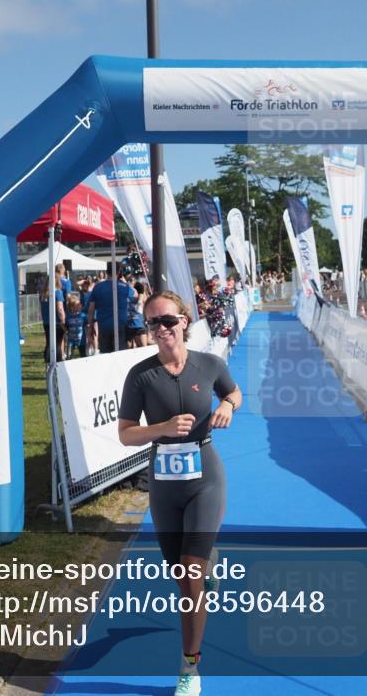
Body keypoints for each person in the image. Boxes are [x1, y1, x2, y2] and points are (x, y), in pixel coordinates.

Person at [117, 291, 242, 696]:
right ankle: (208, 563)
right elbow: (125, 433)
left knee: (189, 575)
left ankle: (189, 667)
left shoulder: (210, 364)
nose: (161, 330)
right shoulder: (140, 375)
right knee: (181, 575)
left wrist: (228, 406)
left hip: (205, 477)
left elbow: (234, 392)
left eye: (167, 320)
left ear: (184, 321)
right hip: (164, 484)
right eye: (152, 323)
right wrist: (162, 429)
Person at [87, 270, 134, 353]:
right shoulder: (124, 285)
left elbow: (91, 309)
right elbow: (135, 294)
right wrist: (125, 282)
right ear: (119, 273)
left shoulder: (97, 287)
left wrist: (90, 326)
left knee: (106, 355)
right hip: (120, 325)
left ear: (106, 273)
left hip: (104, 326)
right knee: (121, 354)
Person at [40, 267, 66, 362]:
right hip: (56, 323)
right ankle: (57, 363)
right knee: (57, 344)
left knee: (48, 343)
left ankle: (47, 364)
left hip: (46, 322)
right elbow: (60, 309)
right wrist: (63, 320)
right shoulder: (58, 293)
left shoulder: (43, 294)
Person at [64, 293, 88, 359]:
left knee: (83, 356)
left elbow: (87, 325)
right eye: (77, 305)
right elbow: (66, 327)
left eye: (79, 304)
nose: (80, 306)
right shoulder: (68, 316)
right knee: (69, 357)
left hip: (81, 340)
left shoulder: (83, 316)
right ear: (71, 307)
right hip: (71, 340)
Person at [127, 280, 148, 348]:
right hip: (130, 324)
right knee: (130, 349)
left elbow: (146, 302)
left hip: (139, 325)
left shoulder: (142, 298)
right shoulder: (128, 297)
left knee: (143, 348)